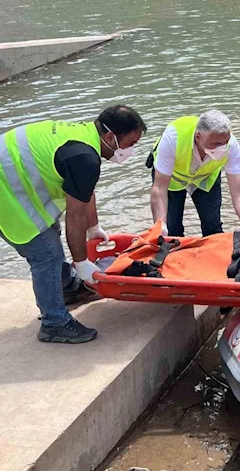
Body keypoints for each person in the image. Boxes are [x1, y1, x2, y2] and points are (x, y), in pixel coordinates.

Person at [0, 105, 147, 343]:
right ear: (110, 137)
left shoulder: (85, 138)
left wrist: (93, 227)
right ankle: (54, 323)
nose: (130, 151)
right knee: (46, 254)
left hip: (13, 180)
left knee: (51, 233)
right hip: (6, 192)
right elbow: (74, 216)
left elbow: (84, 192)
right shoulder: (84, 157)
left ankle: (67, 287)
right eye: (130, 144)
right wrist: (82, 262)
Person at [149, 110, 240, 237]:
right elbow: (159, 187)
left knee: (212, 228)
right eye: (216, 144)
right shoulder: (173, 137)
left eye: (225, 142)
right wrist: (160, 224)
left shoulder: (232, 145)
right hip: (173, 180)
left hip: (205, 179)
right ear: (198, 137)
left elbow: (239, 192)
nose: (222, 147)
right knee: (171, 231)